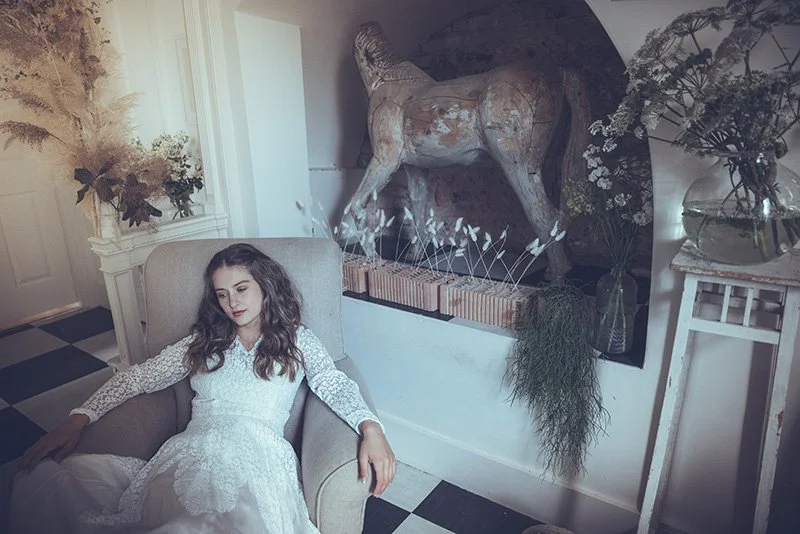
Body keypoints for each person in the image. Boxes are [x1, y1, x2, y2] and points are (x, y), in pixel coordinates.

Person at [10, 242, 396, 533]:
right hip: (190, 454)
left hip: (259, 459)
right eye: (222, 294)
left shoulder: (298, 339)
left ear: (265, 286)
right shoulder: (202, 341)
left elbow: (333, 382)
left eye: (242, 289)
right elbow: (139, 377)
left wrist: (371, 427)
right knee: (41, 484)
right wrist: (79, 417)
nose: (232, 303)